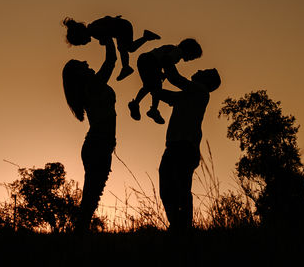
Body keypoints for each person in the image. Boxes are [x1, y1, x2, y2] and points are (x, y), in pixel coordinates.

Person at [62, 37, 118, 233]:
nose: (86, 63)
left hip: (100, 144)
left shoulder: (90, 87)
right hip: (98, 145)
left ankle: (80, 232)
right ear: (78, 74)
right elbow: (111, 61)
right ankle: (79, 233)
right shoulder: (92, 86)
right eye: (81, 65)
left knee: (93, 194)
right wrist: (109, 38)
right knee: (92, 194)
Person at [156, 68, 221, 232]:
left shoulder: (200, 90)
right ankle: (178, 226)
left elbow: (174, 77)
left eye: (204, 71)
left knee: (178, 189)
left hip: (184, 147)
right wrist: (153, 85)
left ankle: (182, 228)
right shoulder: (189, 94)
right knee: (170, 189)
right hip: (177, 147)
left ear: (207, 80)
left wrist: (166, 61)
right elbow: (163, 94)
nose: (199, 69)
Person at [127, 39, 202, 125]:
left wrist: (163, 74)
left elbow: (164, 61)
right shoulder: (178, 52)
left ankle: (137, 104)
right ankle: (153, 109)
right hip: (150, 61)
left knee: (149, 86)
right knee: (156, 87)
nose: (191, 59)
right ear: (188, 50)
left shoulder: (173, 49)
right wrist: (166, 74)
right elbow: (166, 60)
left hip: (145, 60)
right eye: (192, 57)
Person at [63, 15, 160, 81]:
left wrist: (104, 40)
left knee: (124, 48)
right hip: (122, 27)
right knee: (129, 48)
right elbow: (106, 21)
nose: (84, 44)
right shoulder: (93, 28)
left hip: (122, 28)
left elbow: (107, 34)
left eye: (81, 42)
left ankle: (126, 67)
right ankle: (146, 37)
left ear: (81, 34)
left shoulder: (94, 30)